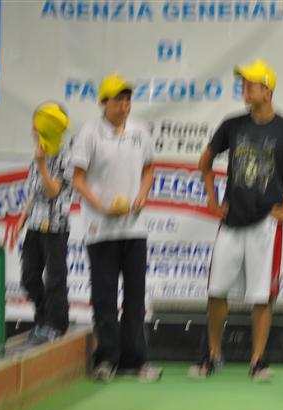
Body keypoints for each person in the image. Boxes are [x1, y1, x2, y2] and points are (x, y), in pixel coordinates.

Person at [191, 59, 283, 381]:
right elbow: (205, 162)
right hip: (231, 222)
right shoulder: (232, 125)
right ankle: (213, 354)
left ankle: (258, 360)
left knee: (261, 296)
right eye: (243, 84)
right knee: (216, 291)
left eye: (251, 84)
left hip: (266, 224)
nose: (245, 89)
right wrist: (212, 199)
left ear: (267, 90)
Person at [71, 73, 162, 383]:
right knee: (104, 297)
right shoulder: (89, 134)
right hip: (100, 229)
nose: (124, 106)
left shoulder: (140, 131)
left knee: (135, 297)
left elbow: (149, 168)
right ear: (103, 102)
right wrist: (101, 206)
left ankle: (136, 361)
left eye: (127, 100)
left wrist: (142, 195)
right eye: (118, 100)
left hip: (135, 229)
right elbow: (78, 179)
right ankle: (106, 359)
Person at [14, 102, 73, 344]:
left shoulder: (66, 156)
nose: (32, 131)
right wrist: (22, 218)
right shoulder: (39, 151)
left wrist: (41, 165)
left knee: (55, 278)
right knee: (28, 277)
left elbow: (53, 191)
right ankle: (43, 319)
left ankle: (56, 324)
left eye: (35, 126)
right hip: (35, 224)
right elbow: (34, 192)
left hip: (55, 226)